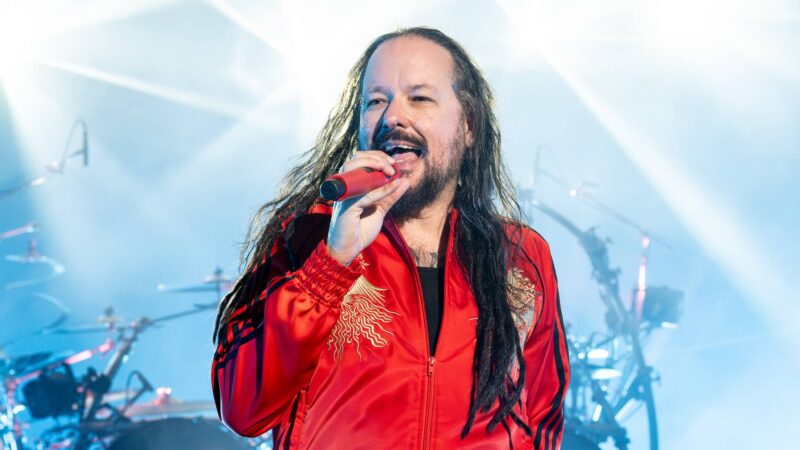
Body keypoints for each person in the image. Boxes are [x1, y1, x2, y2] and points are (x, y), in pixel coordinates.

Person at [212, 27, 570, 449]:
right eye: (376, 101)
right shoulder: (309, 235)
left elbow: (542, 417)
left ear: (469, 125)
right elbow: (243, 409)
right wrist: (331, 264)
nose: (392, 117)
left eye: (419, 98)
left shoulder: (521, 255)